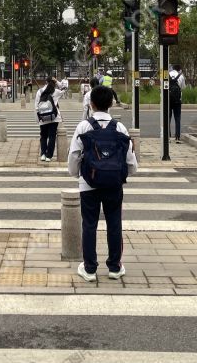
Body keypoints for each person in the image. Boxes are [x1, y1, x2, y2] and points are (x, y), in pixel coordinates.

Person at [68, 85, 137, 282]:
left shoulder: (84, 127)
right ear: (111, 104)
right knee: (114, 224)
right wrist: (124, 174)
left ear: (91, 103)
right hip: (114, 185)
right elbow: (131, 161)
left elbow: (74, 156)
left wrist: (76, 175)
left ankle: (89, 269)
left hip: (88, 185)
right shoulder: (120, 128)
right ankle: (115, 267)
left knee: (89, 224)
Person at [35, 77, 64, 162]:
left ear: (46, 82)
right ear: (53, 82)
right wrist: (57, 81)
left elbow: (36, 107)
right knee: (52, 136)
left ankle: (43, 154)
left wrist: (38, 119)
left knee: (43, 136)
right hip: (54, 117)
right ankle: (49, 156)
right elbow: (65, 87)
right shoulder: (56, 91)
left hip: (43, 117)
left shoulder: (40, 91)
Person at [168, 65, 186, 143]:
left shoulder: (167, 74)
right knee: (177, 118)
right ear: (179, 70)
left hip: (168, 100)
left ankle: (167, 137)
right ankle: (177, 137)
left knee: (168, 119)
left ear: (172, 69)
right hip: (177, 101)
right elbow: (183, 87)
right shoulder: (181, 76)